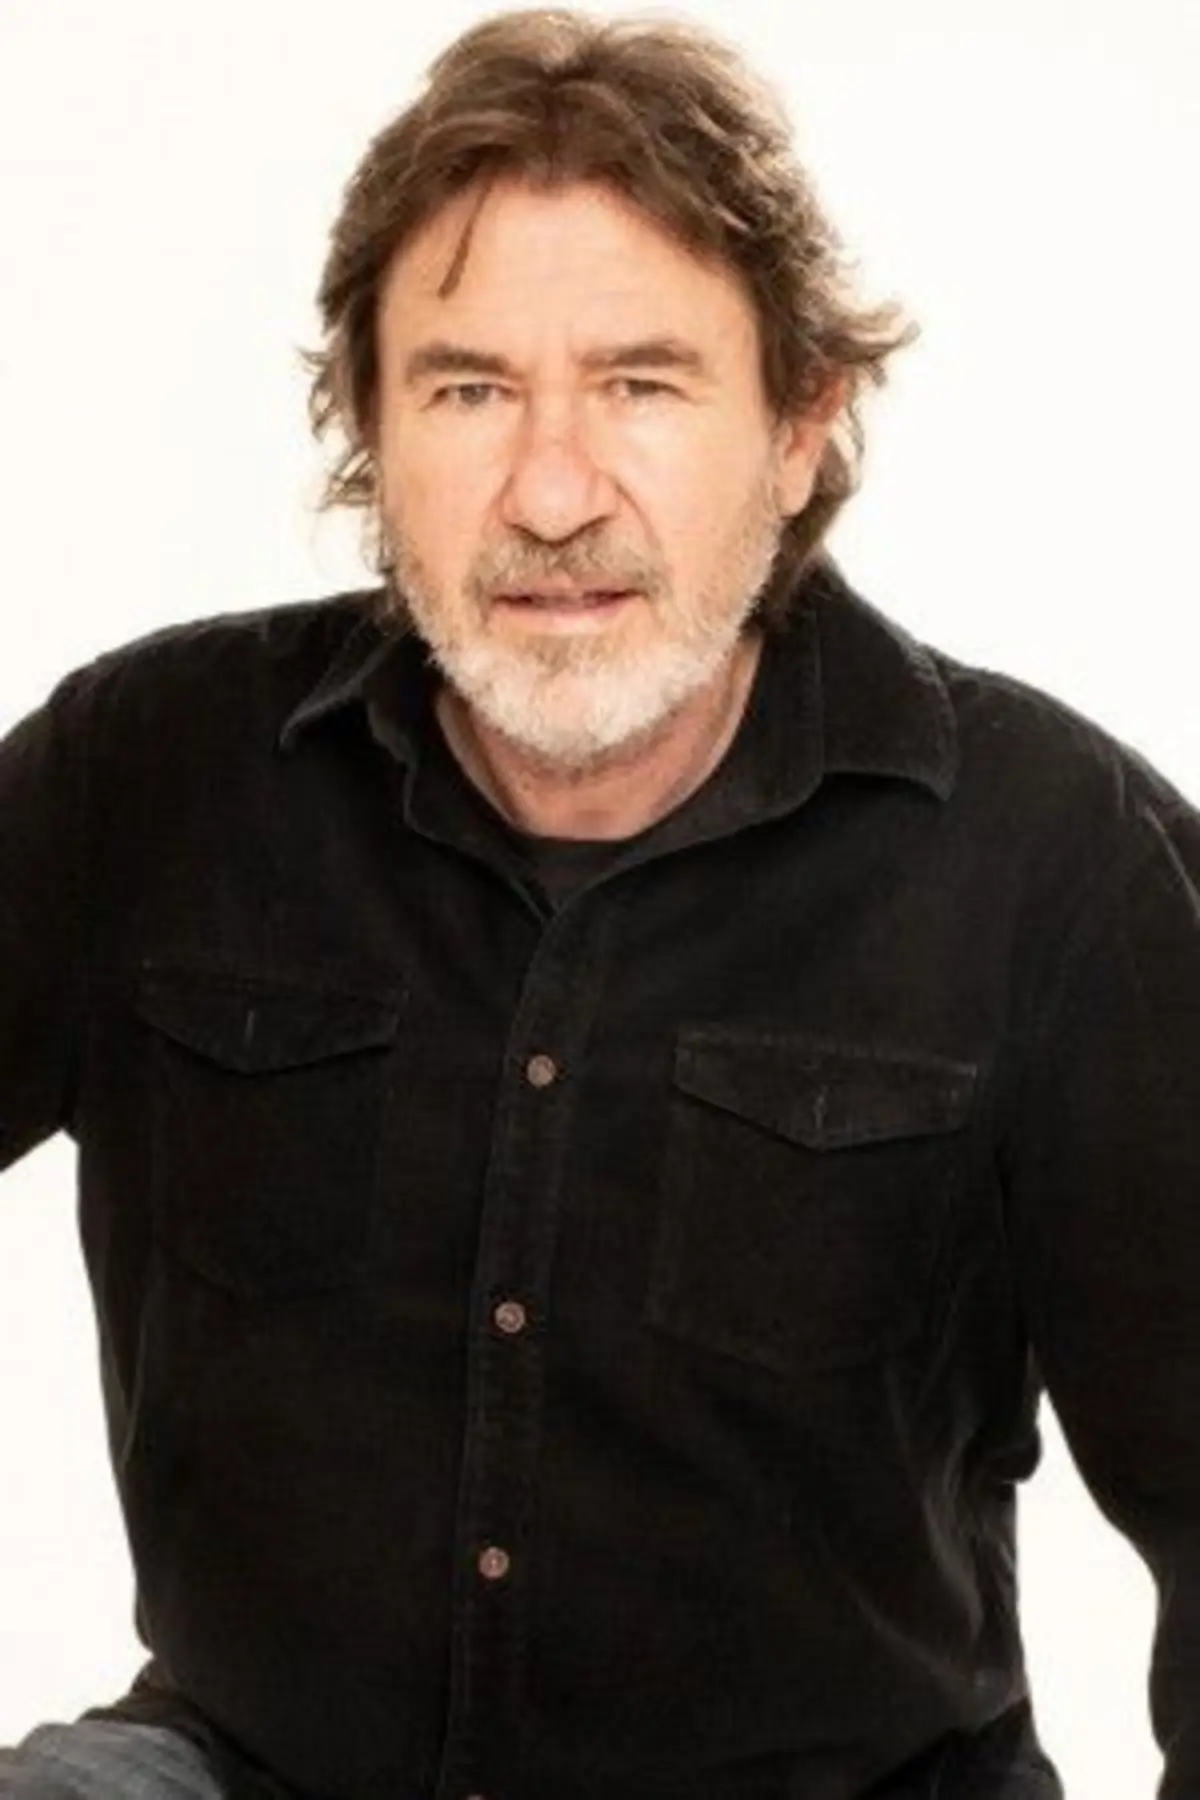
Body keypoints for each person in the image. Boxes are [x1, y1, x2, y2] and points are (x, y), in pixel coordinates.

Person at [1, 8, 1197, 1798]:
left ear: (800, 425)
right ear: (369, 427)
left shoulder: (1061, 863)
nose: (552, 494)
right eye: (469, 391)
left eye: (642, 384)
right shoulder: (147, 776)